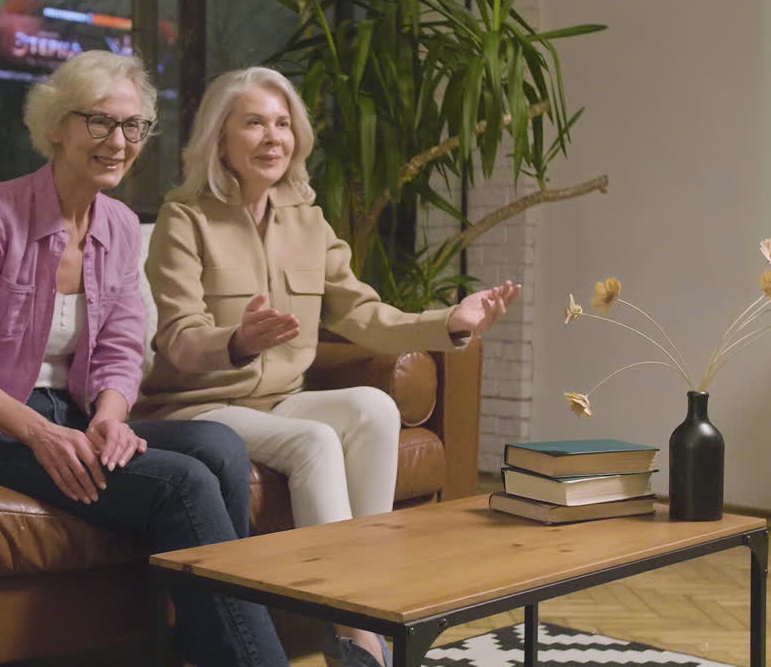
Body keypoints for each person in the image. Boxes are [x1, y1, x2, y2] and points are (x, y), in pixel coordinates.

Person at [0, 51, 289, 667]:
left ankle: (201, 642)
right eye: (100, 122)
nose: (119, 142)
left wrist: (111, 416)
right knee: (181, 483)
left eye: (134, 127)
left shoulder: (122, 224)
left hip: (74, 415)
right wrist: (42, 435)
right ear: (57, 125)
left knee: (220, 446)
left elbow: (122, 347)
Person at [135, 66, 520, 667]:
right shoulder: (185, 220)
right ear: (220, 139)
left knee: (373, 407)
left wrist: (452, 321)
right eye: (254, 123)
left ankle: (369, 601)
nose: (273, 137)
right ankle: (353, 625)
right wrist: (237, 341)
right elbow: (179, 342)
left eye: (283, 124)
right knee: (315, 441)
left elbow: (364, 314)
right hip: (200, 407)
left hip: (278, 400)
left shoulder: (308, 221)